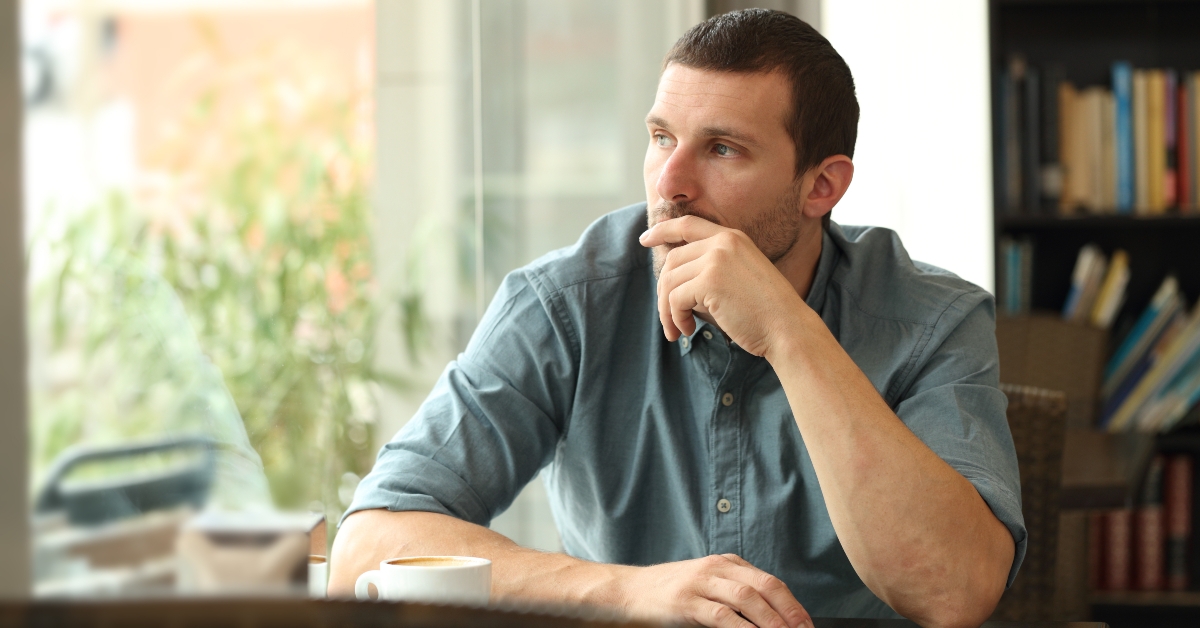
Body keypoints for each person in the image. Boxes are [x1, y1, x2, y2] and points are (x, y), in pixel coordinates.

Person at [330, 9, 1023, 628]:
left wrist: (788, 332)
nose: (670, 183)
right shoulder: (568, 302)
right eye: (662, 138)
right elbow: (365, 550)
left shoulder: (933, 319)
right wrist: (626, 593)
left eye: (723, 149)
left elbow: (955, 594)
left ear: (822, 186)